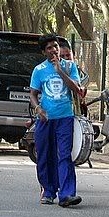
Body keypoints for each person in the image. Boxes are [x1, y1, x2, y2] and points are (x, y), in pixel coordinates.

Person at [29, 34, 83, 207]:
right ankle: (48, 190)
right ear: (44, 52)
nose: (54, 50)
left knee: (64, 154)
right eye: (49, 48)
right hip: (46, 119)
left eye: (55, 46)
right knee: (45, 154)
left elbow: (77, 89)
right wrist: (38, 109)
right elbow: (33, 94)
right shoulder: (39, 70)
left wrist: (60, 70)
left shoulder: (69, 66)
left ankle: (67, 194)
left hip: (65, 117)